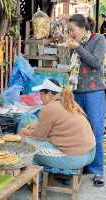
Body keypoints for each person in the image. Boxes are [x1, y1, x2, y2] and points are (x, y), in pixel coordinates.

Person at [19, 78, 96, 172]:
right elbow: (61, 125)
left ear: (49, 94)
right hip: (90, 153)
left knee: (26, 147)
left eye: (41, 95)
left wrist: (24, 132)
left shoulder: (50, 107)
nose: (41, 98)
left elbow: (38, 136)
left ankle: (32, 178)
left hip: (74, 158)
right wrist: (36, 125)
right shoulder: (70, 103)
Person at [67, 14, 106, 186]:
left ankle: (97, 171)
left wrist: (77, 48)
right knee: (80, 131)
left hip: (94, 92)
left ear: (83, 28)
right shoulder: (77, 43)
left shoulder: (99, 39)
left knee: (96, 131)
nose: (70, 33)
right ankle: (82, 166)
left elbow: (96, 63)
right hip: (77, 93)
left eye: (72, 30)